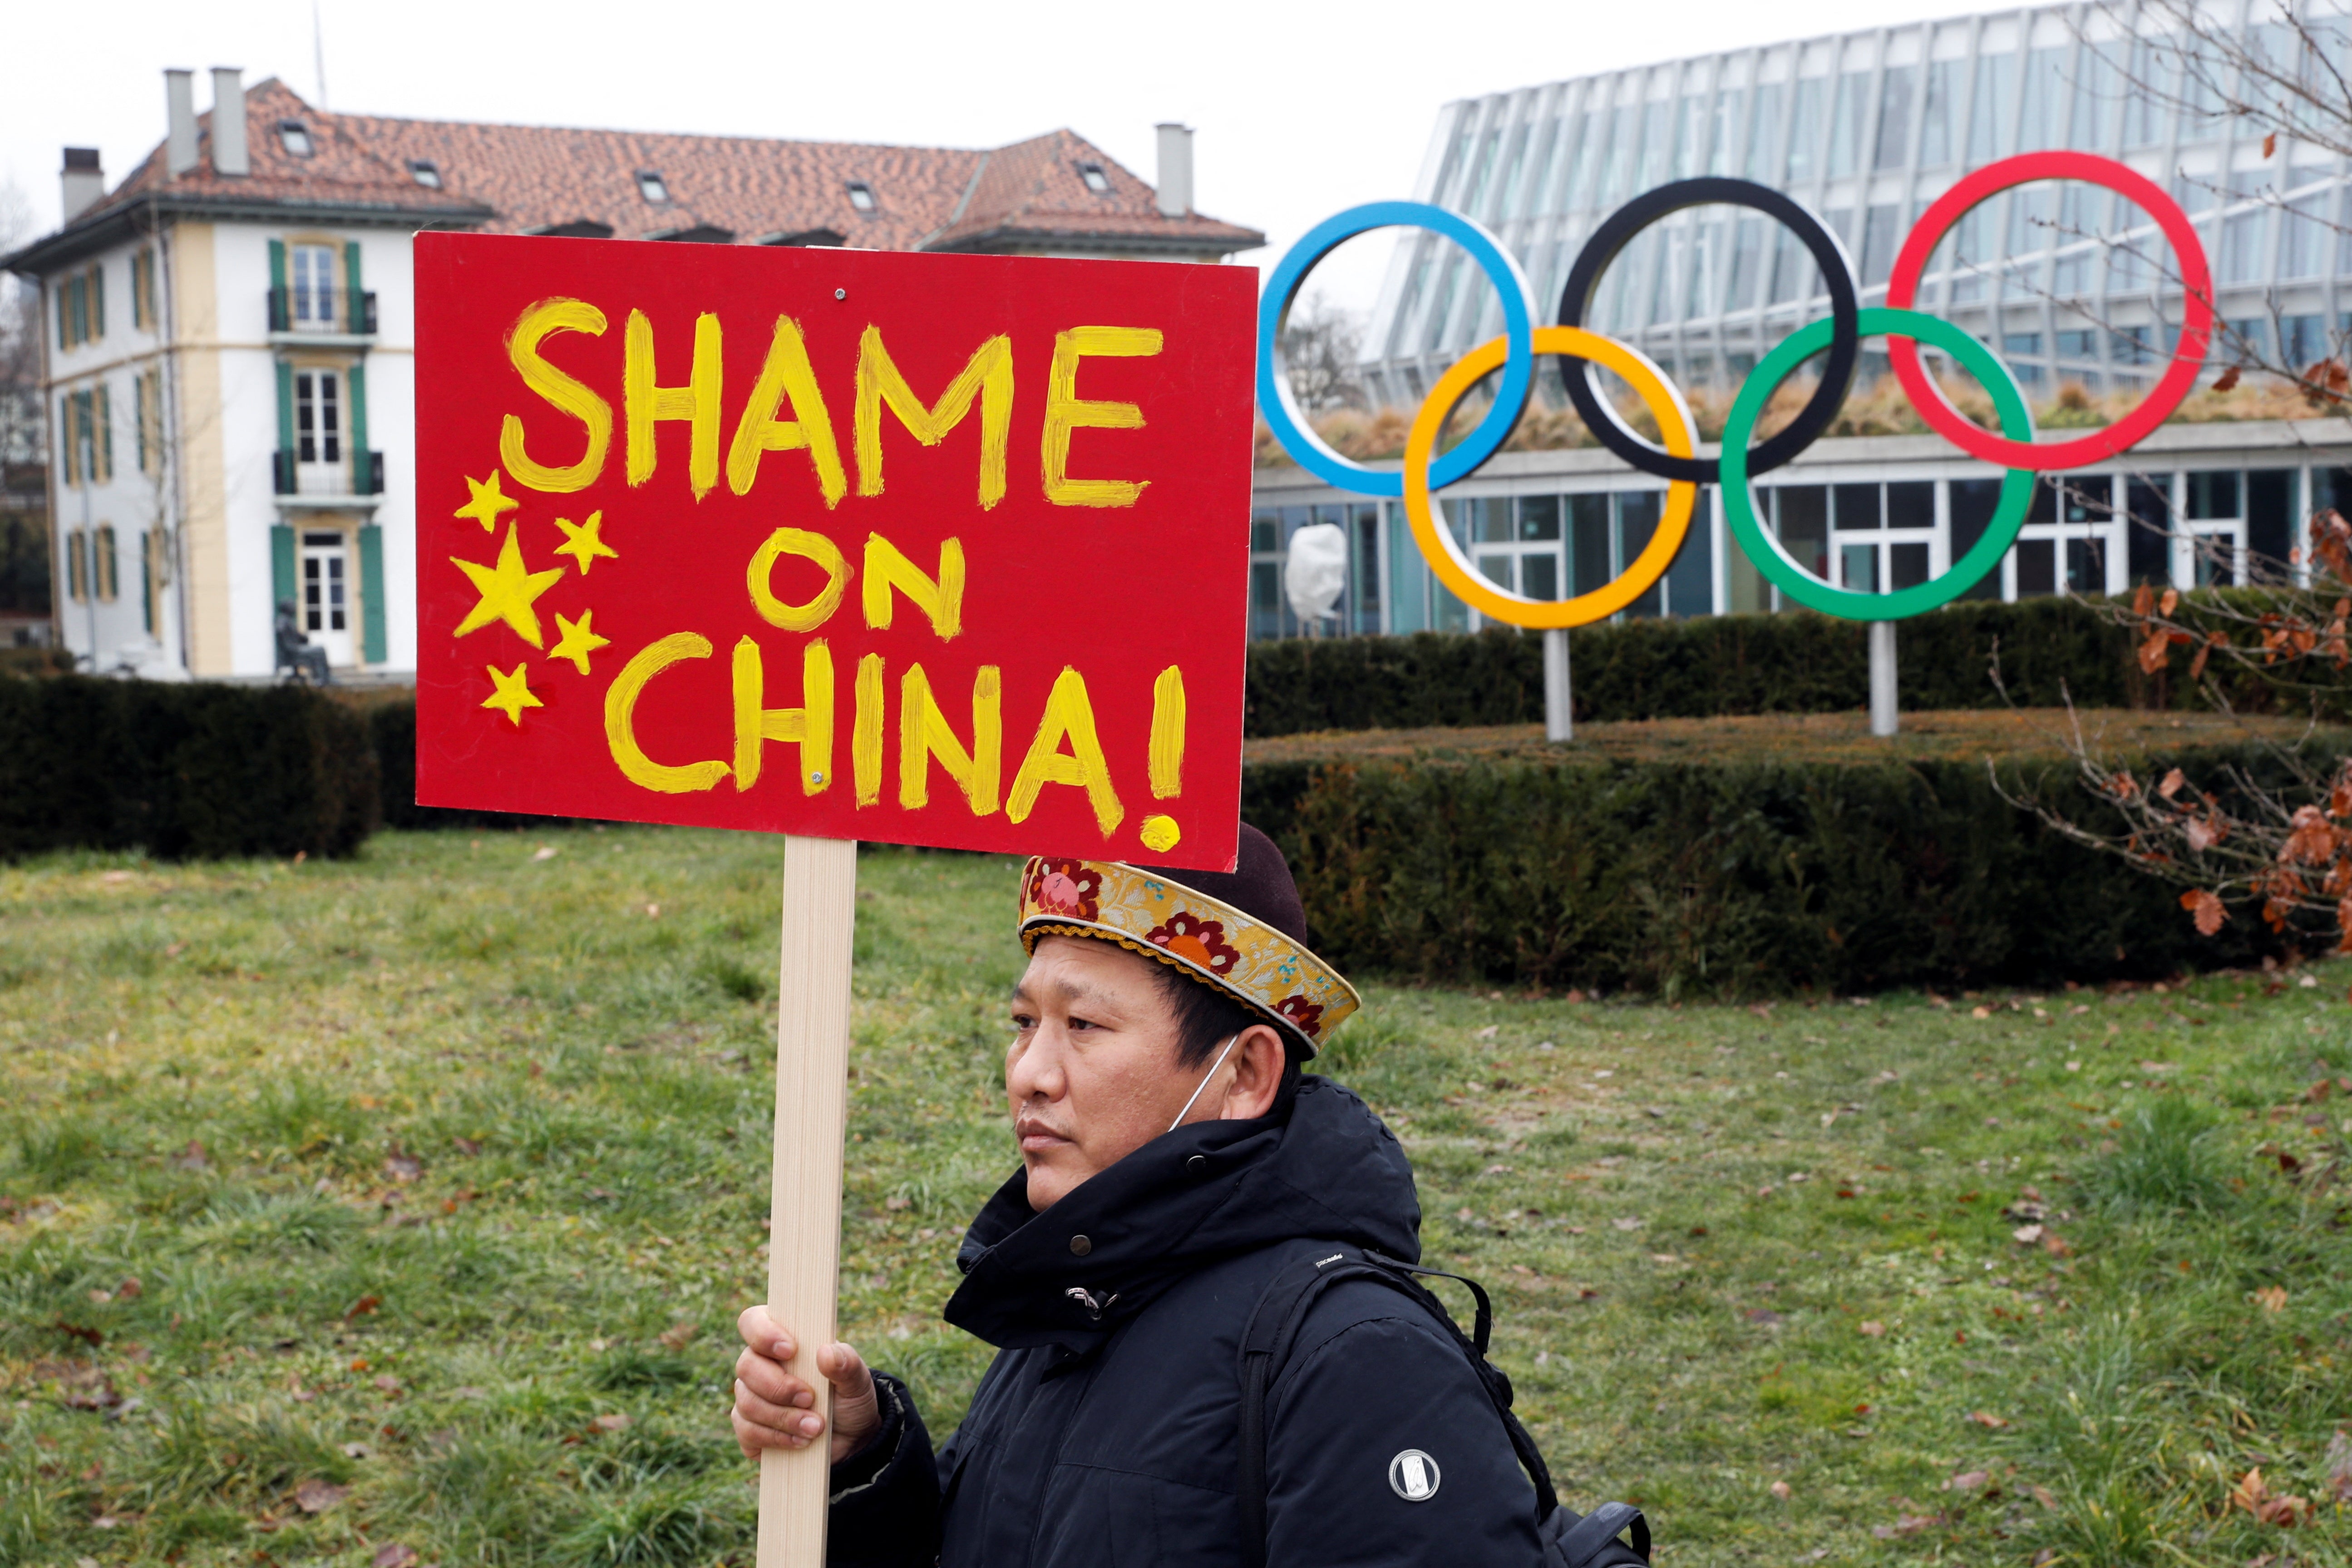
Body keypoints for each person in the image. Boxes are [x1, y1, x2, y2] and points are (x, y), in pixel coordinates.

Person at [731, 826, 1554, 1567]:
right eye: (1024, 1022)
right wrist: (865, 1460)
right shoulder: (1079, 1288)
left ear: (1243, 1074)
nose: (1028, 1072)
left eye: (1082, 1026)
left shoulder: (1357, 1358)